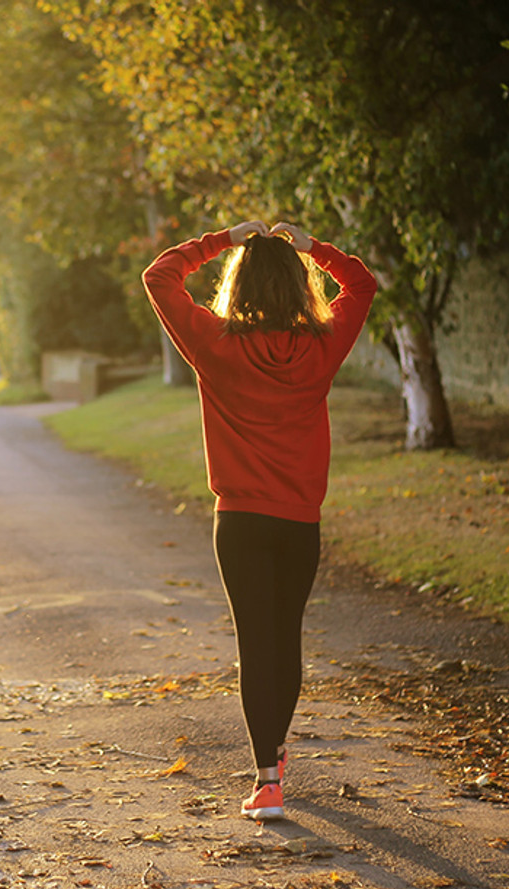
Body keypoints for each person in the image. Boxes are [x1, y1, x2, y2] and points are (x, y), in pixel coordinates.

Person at [142, 219, 377, 821]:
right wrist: (313, 249)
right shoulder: (322, 346)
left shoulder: (215, 344)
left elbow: (160, 276)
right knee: (286, 638)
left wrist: (223, 239)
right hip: (299, 521)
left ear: (238, 286)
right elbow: (363, 283)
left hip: (240, 521)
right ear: (300, 288)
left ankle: (267, 779)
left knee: (256, 643)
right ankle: (273, 754)